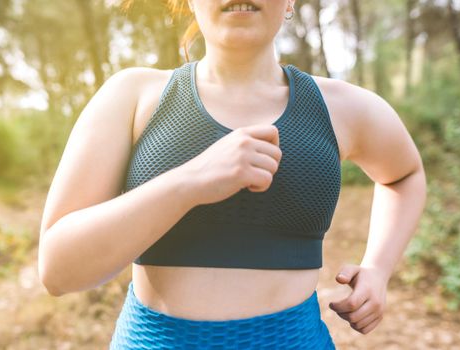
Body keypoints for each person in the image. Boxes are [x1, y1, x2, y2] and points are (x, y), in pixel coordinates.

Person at [37, 0, 427, 348]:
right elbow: (58, 270)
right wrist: (190, 182)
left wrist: (378, 268)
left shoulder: (342, 107)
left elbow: (404, 174)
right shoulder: (132, 96)